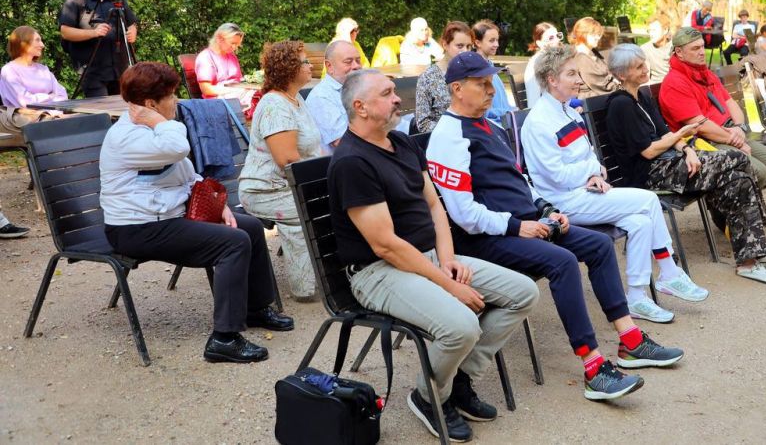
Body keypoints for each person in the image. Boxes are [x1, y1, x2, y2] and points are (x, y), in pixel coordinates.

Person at [427, 51, 682, 401]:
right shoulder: (448, 137)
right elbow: (464, 214)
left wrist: (547, 209)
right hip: (486, 238)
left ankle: (630, 340)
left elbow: (519, 180)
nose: (491, 90)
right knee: (562, 262)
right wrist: (517, 227)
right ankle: (593, 366)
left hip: (527, 222)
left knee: (598, 245)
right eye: (481, 84)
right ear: (457, 89)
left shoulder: (489, 125)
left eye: (491, 82)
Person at [330, 69, 538, 440]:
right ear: (360, 107)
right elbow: (385, 245)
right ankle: (428, 397)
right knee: (461, 326)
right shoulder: (352, 162)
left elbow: (433, 206)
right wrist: (448, 284)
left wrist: (448, 259)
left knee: (524, 292)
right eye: (387, 93)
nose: (398, 98)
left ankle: (457, 379)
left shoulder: (401, 142)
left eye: (394, 91)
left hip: (427, 257)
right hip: (378, 272)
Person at [100, 61, 292, 363]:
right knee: (233, 242)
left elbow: (188, 174)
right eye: (170, 95)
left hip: (167, 218)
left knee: (250, 228)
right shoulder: (129, 137)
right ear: (150, 104)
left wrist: (219, 205)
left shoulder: (155, 131)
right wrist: (158, 120)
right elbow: (178, 148)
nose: (176, 101)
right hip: (137, 228)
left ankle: (254, 309)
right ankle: (224, 338)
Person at [522, 45, 709, 318]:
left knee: (641, 222)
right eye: (571, 74)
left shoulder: (568, 112)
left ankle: (636, 296)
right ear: (552, 79)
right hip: (564, 202)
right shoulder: (539, 122)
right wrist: (591, 171)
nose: (579, 80)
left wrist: (595, 174)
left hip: (586, 191)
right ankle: (669, 271)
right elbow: (556, 176)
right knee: (648, 200)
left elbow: (589, 156)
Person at [606, 44, 766, 284]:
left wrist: (687, 149)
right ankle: (757, 244)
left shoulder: (641, 96)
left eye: (644, 63)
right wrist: (680, 136)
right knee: (737, 159)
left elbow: (665, 133)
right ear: (621, 75)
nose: (644, 69)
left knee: (737, 180)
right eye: (638, 66)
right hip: (650, 174)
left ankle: (750, 260)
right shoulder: (621, 104)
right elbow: (649, 152)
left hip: (670, 163)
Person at [239, 41, 325, 300]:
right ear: (289, 69)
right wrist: (322, 185)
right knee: (313, 210)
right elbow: (287, 160)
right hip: (266, 190)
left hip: (291, 184)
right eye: (304, 62)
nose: (310, 65)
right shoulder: (275, 105)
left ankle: (337, 272)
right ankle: (306, 288)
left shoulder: (296, 99)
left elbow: (310, 151)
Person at [659, 27, 766, 189]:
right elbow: (699, 126)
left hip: (729, 132)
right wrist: (735, 141)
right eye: (695, 48)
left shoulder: (704, 73)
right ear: (679, 52)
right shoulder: (675, 83)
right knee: (759, 172)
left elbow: (730, 102)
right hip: (704, 142)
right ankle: (734, 198)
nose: (702, 52)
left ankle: (735, 196)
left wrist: (740, 127)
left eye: (702, 46)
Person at [58, 0, 138, 97]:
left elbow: (131, 23)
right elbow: (65, 32)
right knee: (102, 109)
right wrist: (93, 33)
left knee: (122, 108)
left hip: (120, 69)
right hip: (93, 71)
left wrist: (132, 31)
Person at [414, 21, 473, 133]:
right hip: (443, 138)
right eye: (460, 46)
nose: (465, 51)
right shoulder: (428, 78)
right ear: (445, 44)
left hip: (473, 135)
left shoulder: (472, 74)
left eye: (468, 46)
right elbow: (423, 123)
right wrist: (453, 131)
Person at [305, 40, 363, 150]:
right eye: (348, 62)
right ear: (329, 66)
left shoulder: (358, 88)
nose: (356, 66)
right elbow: (342, 142)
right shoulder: (321, 97)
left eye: (358, 60)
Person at [0, 26, 68, 108]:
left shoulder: (43, 69)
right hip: (25, 115)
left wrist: (38, 99)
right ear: (23, 43)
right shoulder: (9, 70)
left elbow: (62, 95)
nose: (42, 45)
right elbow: (25, 102)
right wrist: (50, 96)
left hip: (54, 113)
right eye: (37, 40)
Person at [470, 20, 513, 123]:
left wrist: (512, 110)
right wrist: (508, 112)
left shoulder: (490, 65)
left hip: (505, 122)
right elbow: (482, 111)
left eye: (497, 40)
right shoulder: (476, 71)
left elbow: (502, 102)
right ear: (478, 42)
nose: (496, 44)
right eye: (491, 41)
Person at [195, 23, 245, 99]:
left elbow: (239, 81)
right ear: (219, 39)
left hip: (237, 95)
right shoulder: (205, 57)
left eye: (237, 44)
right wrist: (234, 90)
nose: (234, 47)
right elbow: (206, 90)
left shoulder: (232, 57)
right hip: (218, 100)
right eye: (232, 43)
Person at [570, 17, 617, 99]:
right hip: (593, 101)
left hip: (602, 96)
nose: (598, 37)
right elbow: (603, 87)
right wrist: (622, 85)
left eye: (599, 34)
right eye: (593, 34)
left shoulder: (592, 52)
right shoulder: (581, 58)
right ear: (582, 34)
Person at [524, 22, 562, 107]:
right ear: (539, 43)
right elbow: (534, 101)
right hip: (545, 111)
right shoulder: (536, 64)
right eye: (551, 38)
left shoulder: (552, 59)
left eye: (557, 36)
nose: (557, 40)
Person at [640, 16, 672, 83]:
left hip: (673, 83)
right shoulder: (645, 49)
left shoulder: (675, 47)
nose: (651, 34)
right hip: (655, 85)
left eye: (654, 30)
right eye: (649, 31)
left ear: (665, 30)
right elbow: (645, 75)